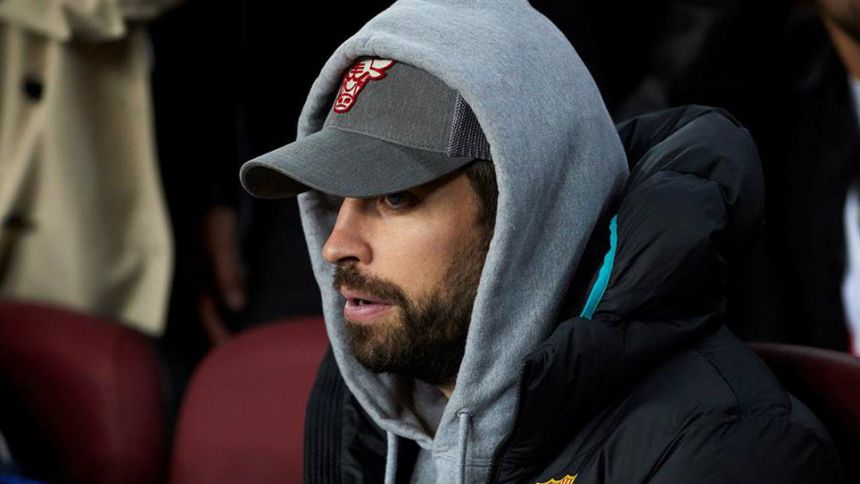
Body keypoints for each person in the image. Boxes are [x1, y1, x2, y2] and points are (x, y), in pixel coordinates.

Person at [240, 1, 842, 482]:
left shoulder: (729, 451)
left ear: (526, 213)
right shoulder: (362, 410)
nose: (337, 245)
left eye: (395, 198)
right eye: (338, 200)